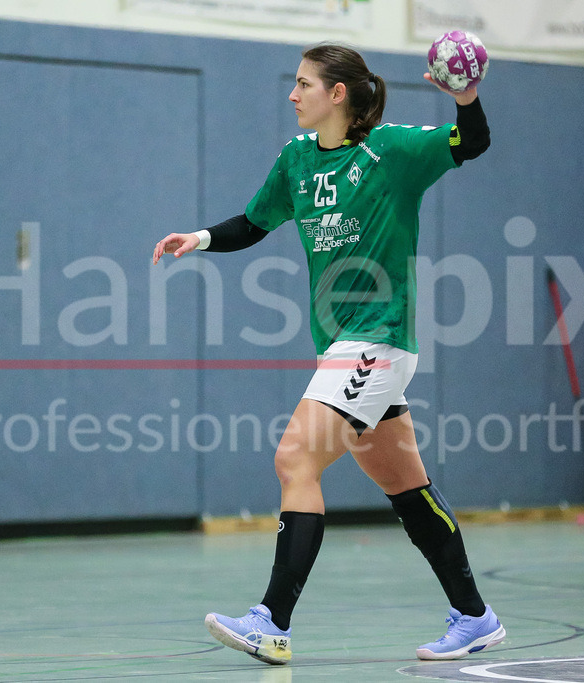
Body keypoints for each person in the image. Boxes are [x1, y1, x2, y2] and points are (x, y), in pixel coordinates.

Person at [152, 43, 503, 665]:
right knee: (406, 488)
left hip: (379, 336)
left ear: (336, 94)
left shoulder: (392, 151)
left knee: (295, 459)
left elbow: (469, 143)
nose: (293, 95)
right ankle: (475, 616)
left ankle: (271, 620)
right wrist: (200, 238)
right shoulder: (295, 160)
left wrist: (465, 98)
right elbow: (255, 224)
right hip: (342, 345)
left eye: (303, 84)